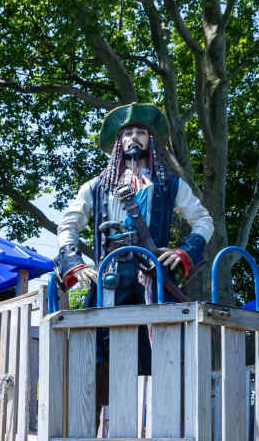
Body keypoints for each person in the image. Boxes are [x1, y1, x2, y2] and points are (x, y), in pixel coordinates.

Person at [55, 103, 216, 304]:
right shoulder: (96, 186)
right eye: (128, 133)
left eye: (141, 132)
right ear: (119, 141)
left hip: (153, 272)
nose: (134, 138)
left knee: (158, 332)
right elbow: (68, 224)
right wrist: (74, 262)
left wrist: (185, 250)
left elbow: (203, 220)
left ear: (150, 139)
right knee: (105, 333)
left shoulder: (171, 184)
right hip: (110, 274)